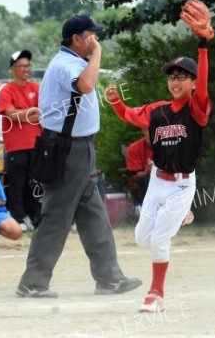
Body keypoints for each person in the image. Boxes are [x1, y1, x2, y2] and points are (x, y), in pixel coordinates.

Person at [16, 15, 141, 299]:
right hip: (67, 148)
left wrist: (93, 56)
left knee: (94, 214)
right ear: (76, 39)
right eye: (90, 36)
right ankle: (32, 281)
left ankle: (109, 277)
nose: (94, 40)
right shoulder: (65, 64)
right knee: (57, 216)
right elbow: (84, 86)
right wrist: (97, 54)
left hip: (79, 148)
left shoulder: (73, 62)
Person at [107, 32, 211, 313]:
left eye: (182, 76)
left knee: (159, 240)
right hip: (157, 181)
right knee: (142, 239)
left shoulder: (196, 109)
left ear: (191, 82)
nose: (175, 81)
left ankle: (156, 295)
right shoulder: (156, 111)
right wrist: (116, 101)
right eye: (172, 76)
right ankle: (182, 215)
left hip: (181, 184)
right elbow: (129, 114)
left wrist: (202, 46)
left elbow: (203, 84)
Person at [0, 50, 41, 231]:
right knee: (17, 184)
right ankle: (18, 218)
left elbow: (42, 113)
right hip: (16, 146)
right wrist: (30, 113)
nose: (26, 69)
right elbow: (10, 114)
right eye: (22, 66)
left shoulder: (36, 88)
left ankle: (36, 217)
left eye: (28, 65)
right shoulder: (6, 90)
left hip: (37, 143)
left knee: (36, 183)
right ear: (13, 68)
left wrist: (22, 113)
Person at [126, 129, 153, 215]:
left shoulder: (166, 146)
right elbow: (135, 174)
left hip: (162, 176)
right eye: (148, 130)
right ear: (144, 131)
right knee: (147, 180)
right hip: (143, 177)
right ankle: (148, 211)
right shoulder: (135, 147)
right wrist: (147, 171)